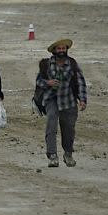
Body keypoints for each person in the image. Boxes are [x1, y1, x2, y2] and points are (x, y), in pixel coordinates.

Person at [36, 38, 87, 168]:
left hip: (68, 101)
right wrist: (48, 82)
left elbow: (80, 82)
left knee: (69, 129)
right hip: (51, 99)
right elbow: (38, 81)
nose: (61, 51)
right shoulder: (46, 64)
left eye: (63, 48)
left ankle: (68, 154)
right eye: (59, 48)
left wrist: (82, 99)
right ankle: (52, 156)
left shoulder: (72, 64)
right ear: (54, 50)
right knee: (51, 125)